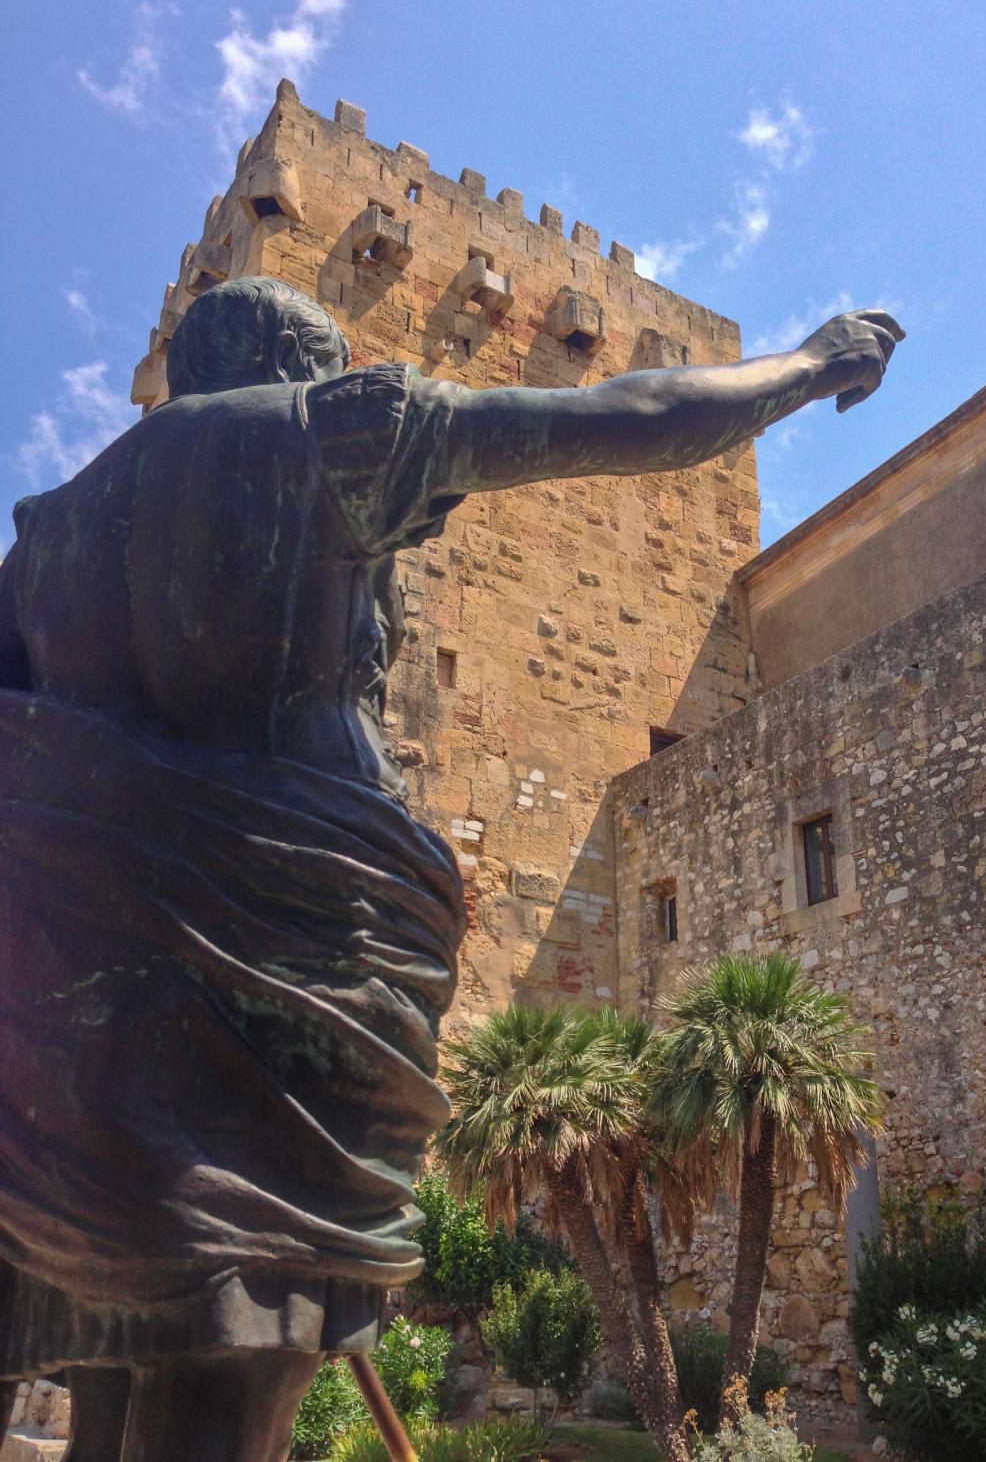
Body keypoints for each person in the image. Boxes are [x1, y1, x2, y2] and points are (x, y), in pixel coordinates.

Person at [0, 277, 902, 1461]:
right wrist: (810, 364)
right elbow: (632, 414)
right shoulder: (324, 433)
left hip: (74, 1053)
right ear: (289, 362)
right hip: (281, 985)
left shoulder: (41, 547)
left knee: (117, 1381)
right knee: (232, 1376)